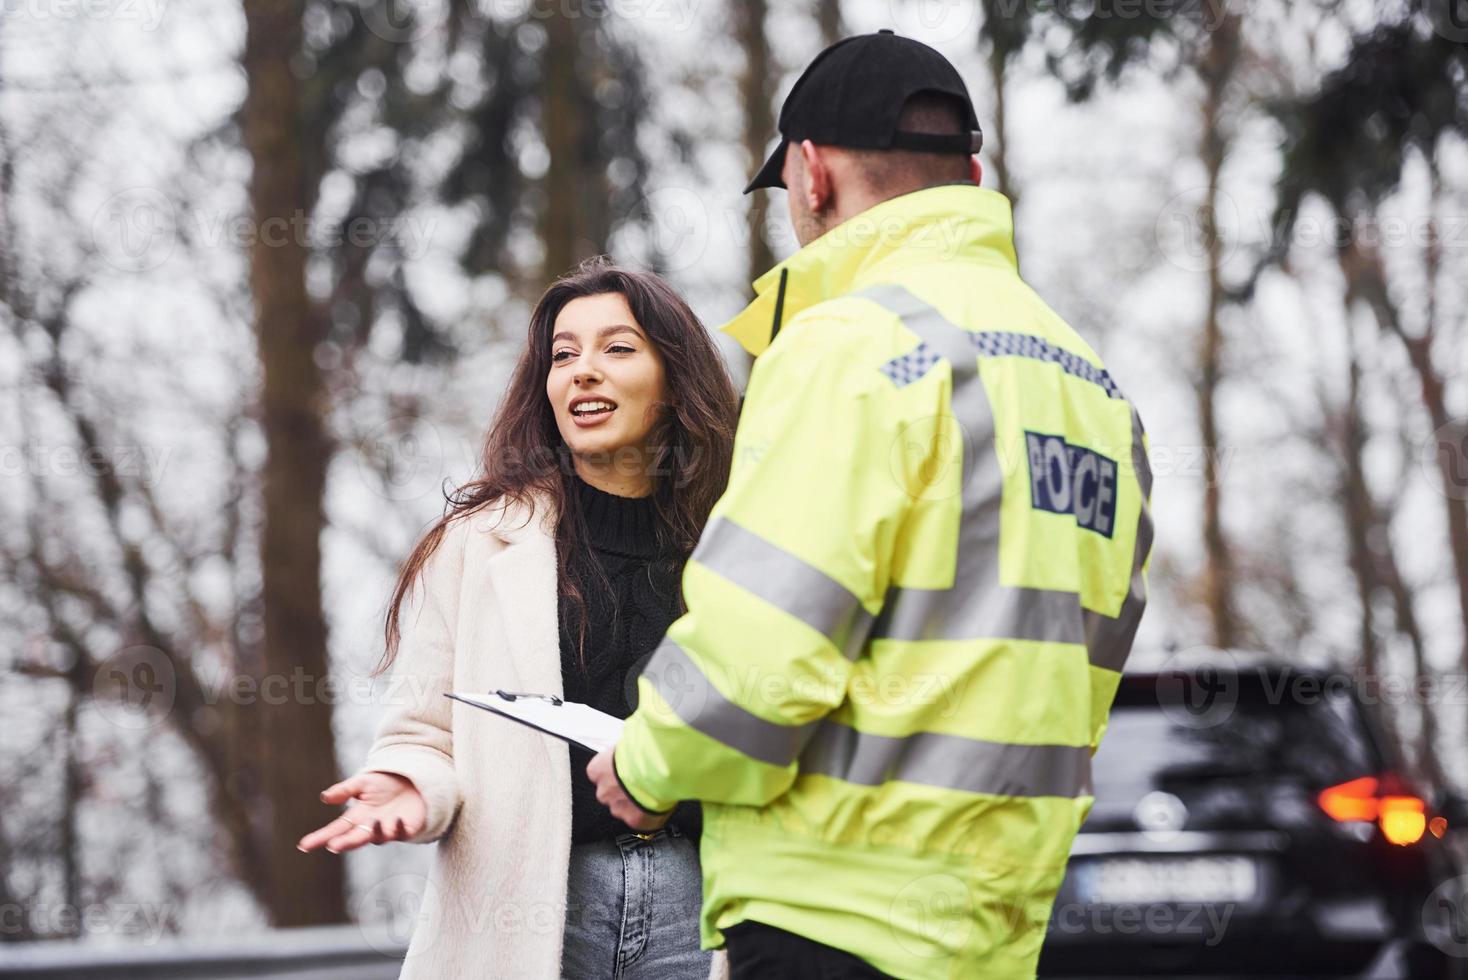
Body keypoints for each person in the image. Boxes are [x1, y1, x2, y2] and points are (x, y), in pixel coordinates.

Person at [587, 31, 1155, 979]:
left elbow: (768, 642)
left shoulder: (849, 342)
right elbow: (1097, 648)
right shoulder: (1092, 387)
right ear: (971, 172)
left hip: (833, 907)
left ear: (811, 174)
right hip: (996, 926)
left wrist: (649, 765)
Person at [298, 257, 741, 979]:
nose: (582, 371)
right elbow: (423, 733)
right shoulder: (480, 542)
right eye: (564, 355)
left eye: (617, 348)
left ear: (674, 379)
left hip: (701, 907)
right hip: (529, 910)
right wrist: (411, 784)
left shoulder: (739, 540)